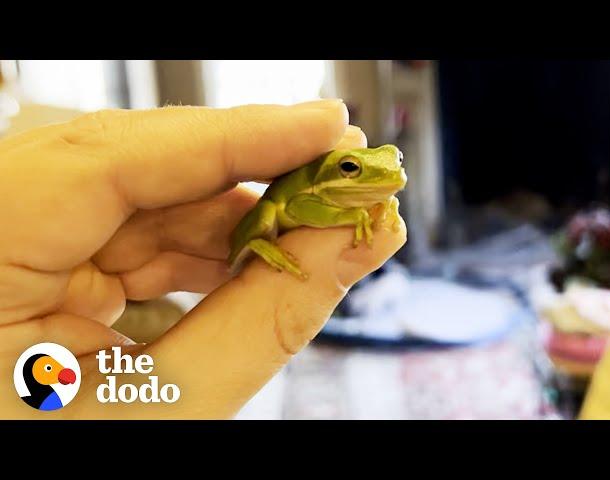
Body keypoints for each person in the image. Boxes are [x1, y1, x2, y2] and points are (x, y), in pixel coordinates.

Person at [0, 99, 406, 419]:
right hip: (288, 207)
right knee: (265, 215)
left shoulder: (367, 183)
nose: (394, 173)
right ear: (339, 172)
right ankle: (260, 243)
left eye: (398, 161)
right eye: (352, 168)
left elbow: (381, 182)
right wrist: (352, 215)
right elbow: (297, 211)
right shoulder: (315, 190)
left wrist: (375, 203)